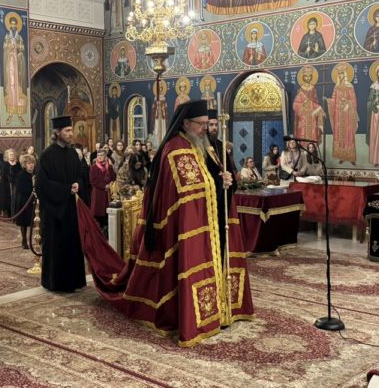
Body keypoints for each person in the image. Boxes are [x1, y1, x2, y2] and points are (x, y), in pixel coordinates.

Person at [78, 100, 254, 346]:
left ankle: (222, 311)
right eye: (201, 124)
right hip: (184, 227)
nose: (206, 129)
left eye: (207, 124)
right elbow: (185, 193)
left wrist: (226, 181)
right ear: (186, 123)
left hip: (214, 222)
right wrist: (216, 183)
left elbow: (212, 179)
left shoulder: (207, 147)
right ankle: (197, 318)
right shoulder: (174, 150)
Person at [36, 116, 86, 292]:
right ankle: (54, 283)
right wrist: (66, 189)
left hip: (71, 210)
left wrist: (78, 184)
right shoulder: (46, 155)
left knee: (72, 246)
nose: (71, 133)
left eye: (71, 130)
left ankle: (73, 282)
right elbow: (42, 185)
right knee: (56, 247)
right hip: (54, 213)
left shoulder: (73, 154)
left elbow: (81, 175)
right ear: (57, 132)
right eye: (67, 131)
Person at [89, 149, 116, 230]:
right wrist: (104, 186)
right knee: (98, 213)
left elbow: (113, 178)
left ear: (105, 157)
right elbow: (93, 181)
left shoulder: (109, 167)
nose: (99, 157)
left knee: (107, 212)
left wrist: (110, 185)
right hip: (98, 193)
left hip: (108, 193)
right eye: (98, 155)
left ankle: (107, 230)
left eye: (101, 155)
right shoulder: (93, 167)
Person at [14, 154, 36, 249]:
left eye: (32, 163)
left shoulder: (35, 173)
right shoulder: (21, 175)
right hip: (24, 201)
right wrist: (32, 189)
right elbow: (21, 189)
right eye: (28, 163)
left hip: (34, 200)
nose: (31, 165)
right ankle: (24, 240)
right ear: (24, 164)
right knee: (24, 222)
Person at [0, 148, 21, 217]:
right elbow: (4, 175)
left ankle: (16, 213)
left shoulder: (18, 164)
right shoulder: (4, 164)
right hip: (7, 185)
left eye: (13, 154)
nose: (12, 156)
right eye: (10, 154)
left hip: (16, 184)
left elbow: (20, 174)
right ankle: (8, 213)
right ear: (7, 156)